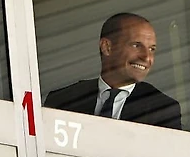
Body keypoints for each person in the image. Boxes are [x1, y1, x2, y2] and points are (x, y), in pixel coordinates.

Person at [44, 13, 182, 130]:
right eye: (136, 45)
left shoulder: (163, 109)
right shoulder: (62, 100)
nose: (146, 57)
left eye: (152, 49)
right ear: (106, 47)